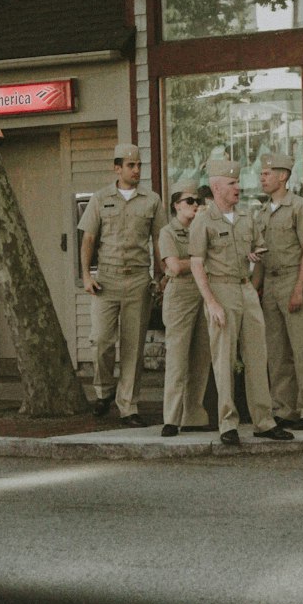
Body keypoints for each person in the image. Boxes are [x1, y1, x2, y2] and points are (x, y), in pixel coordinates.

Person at [188, 158, 293, 448]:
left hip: (246, 289)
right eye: (233, 184)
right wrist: (211, 303)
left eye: (238, 182)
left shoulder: (247, 216)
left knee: (258, 356)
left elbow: (257, 248)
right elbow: (197, 264)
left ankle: (264, 421)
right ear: (217, 186)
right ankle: (227, 423)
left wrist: (254, 258)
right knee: (223, 359)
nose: (239, 187)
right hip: (221, 290)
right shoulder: (203, 221)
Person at [79, 143, 163, 427]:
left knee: (133, 346)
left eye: (139, 165)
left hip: (138, 277)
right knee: (101, 341)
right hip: (107, 278)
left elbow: (158, 240)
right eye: (131, 165)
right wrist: (86, 276)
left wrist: (160, 275)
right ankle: (104, 390)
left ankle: (128, 405)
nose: (137, 170)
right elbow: (88, 239)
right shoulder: (101, 198)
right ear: (117, 168)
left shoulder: (151, 200)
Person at [258, 151, 303, 430]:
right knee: (277, 351)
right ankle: (284, 409)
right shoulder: (261, 212)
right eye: (262, 173)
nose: (262, 178)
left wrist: (298, 289)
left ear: (282, 176)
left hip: (294, 280)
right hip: (270, 284)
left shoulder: (300, 207)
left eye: (267, 173)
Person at [158, 188, 211, 437]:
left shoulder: (203, 228)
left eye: (198, 201)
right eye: (189, 201)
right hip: (181, 294)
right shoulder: (168, 232)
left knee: (201, 356)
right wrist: (200, 260)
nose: (195, 205)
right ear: (176, 205)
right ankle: (171, 417)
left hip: (205, 293)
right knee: (178, 358)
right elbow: (175, 266)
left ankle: (193, 414)